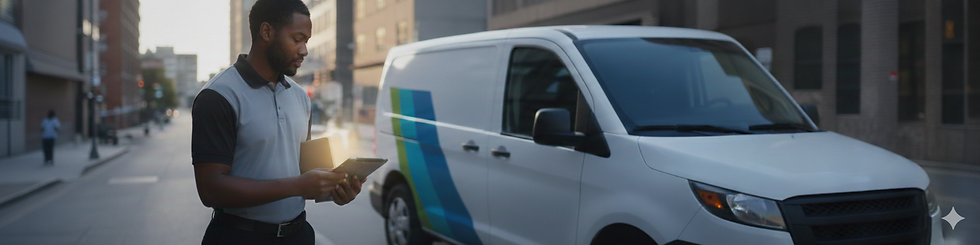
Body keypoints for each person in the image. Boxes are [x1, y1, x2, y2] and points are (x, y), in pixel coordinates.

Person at [191, 0, 365, 244]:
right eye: (297, 39)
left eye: (307, 41)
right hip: (239, 237)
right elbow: (210, 190)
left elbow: (309, 173)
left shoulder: (301, 97)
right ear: (266, 32)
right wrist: (298, 186)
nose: (304, 50)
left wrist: (336, 189)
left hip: (299, 236)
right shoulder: (218, 96)